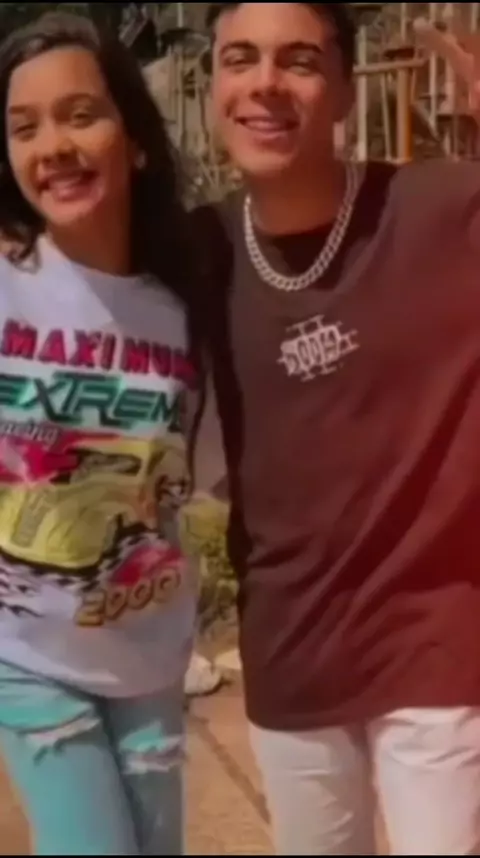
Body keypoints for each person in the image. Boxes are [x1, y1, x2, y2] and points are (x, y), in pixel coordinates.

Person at [192, 2, 480, 854]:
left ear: (347, 89)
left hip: (435, 645)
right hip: (292, 651)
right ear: (211, 86)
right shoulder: (196, 252)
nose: (264, 84)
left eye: (299, 61)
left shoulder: (440, 210)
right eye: (239, 59)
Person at [0, 10, 199, 856]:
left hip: (149, 650)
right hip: (25, 654)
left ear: (136, 140)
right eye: (24, 128)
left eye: (80, 115)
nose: (54, 145)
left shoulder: (185, 302)